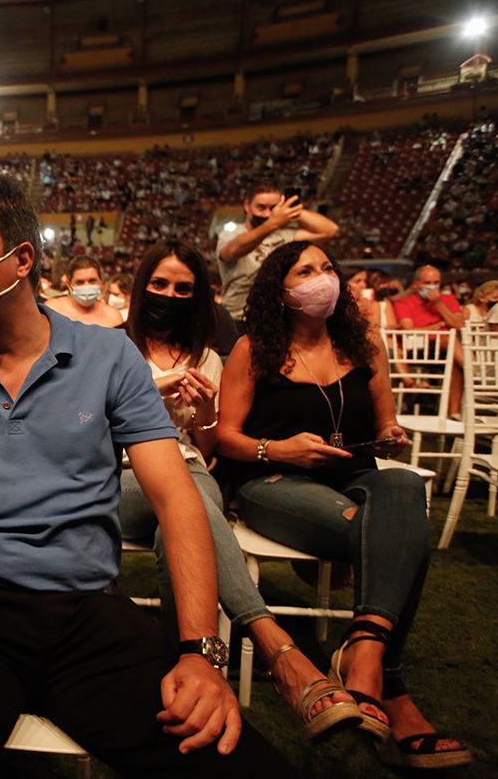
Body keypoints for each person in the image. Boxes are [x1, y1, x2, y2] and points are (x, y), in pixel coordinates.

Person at [0, 173, 293, 779]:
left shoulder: (108, 357)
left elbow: (178, 503)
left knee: (234, 762)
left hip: (86, 612)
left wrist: (198, 651)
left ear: (21, 259)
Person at [216, 242, 471, 770]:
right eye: (305, 271)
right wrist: (278, 449)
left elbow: (386, 422)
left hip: (354, 474)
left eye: (327, 267)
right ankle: (388, 685)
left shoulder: (363, 344)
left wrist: (391, 435)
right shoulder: (255, 348)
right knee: (396, 536)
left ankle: (366, 648)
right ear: (280, 291)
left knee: (402, 489)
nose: (321, 278)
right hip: (271, 481)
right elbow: (226, 437)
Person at [119, 241, 361, 741]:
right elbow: (83, 435)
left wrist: (204, 413)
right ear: (141, 288)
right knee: (189, 496)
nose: (169, 294)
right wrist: (147, 396)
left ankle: (184, 670)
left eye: (183, 288)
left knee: (185, 508)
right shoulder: (109, 348)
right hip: (122, 477)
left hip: (189, 467)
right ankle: (275, 646)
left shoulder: (208, 357)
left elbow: (208, 446)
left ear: (199, 297)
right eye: (160, 284)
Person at [217, 183, 339, 325]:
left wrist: (292, 209)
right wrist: (273, 223)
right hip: (238, 318)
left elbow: (329, 230)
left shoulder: (285, 235)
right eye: (261, 207)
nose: (268, 214)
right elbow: (231, 251)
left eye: (273, 208)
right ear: (247, 206)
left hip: (276, 317)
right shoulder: (231, 234)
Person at [393, 265, 466, 415]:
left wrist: (439, 305)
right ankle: (472, 368)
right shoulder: (404, 302)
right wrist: (435, 327)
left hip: (447, 351)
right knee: (446, 339)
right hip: (418, 347)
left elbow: (460, 326)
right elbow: (408, 330)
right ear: (416, 284)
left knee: (454, 363)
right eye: (427, 283)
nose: (432, 286)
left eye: (436, 282)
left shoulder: (447, 299)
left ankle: (453, 414)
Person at [43, 256, 124, 327]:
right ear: (69, 284)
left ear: (101, 282)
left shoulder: (113, 316)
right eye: (80, 282)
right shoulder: (52, 310)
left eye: (92, 281)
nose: (86, 286)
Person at [346, 268, 400, 337]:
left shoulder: (381, 303)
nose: (363, 285)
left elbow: (375, 330)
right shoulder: (341, 306)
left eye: (365, 281)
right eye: (358, 281)